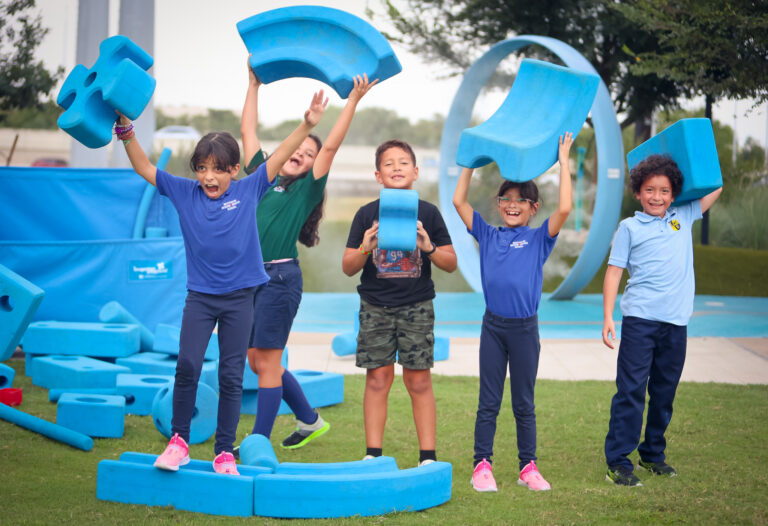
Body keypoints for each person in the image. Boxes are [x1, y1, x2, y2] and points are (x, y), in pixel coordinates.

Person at [114, 88, 327, 475]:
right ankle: (178, 442)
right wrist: (126, 130)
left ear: (233, 170)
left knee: (231, 374)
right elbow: (145, 168)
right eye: (201, 168)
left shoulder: (250, 189)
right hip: (200, 298)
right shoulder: (183, 191)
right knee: (188, 366)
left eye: (217, 169)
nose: (209, 177)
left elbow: (278, 156)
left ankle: (224, 451)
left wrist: (307, 124)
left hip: (240, 300)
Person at [240, 67, 377, 450]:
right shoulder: (260, 176)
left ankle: (257, 444)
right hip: (249, 280)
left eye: (309, 155)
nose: (301, 153)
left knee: (266, 363)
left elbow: (330, 147)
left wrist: (351, 102)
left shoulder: (305, 191)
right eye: (297, 147)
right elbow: (248, 132)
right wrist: (253, 85)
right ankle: (310, 419)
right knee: (257, 360)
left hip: (278, 281)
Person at [452, 133, 575, 492]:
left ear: (533, 208)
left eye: (521, 201)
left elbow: (564, 209)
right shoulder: (488, 234)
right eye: (507, 199)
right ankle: (482, 466)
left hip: (524, 330)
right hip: (493, 328)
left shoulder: (540, 238)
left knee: (524, 402)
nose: (513, 204)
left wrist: (564, 162)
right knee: (487, 401)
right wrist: (469, 163)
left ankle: (528, 468)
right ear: (498, 203)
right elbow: (459, 200)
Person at [602, 154, 722, 487]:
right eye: (650, 190)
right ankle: (618, 462)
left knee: (664, 393)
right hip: (640, 321)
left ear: (675, 194)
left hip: (676, 324)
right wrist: (608, 316)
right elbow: (614, 272)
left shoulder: (683, 215)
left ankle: (652, 454)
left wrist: (697, 156)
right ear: (638, 193)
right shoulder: (628, 227)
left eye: (665, 190)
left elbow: (717, 187)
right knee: (631, 391)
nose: (657, 196)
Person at [342, 139, 457, 467]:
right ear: (378, 175)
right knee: (377, 379)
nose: (396, 167)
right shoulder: (366, 214)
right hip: (375, 307)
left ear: (416, 171)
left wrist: (429, 247)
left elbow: (450, 262)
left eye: (403, 162)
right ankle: (372, 455)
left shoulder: (428, 213)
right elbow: (348, 266)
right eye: (388, 163)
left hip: (417, 307)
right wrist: (365, 247)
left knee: (418, 379)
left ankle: (428, 457)